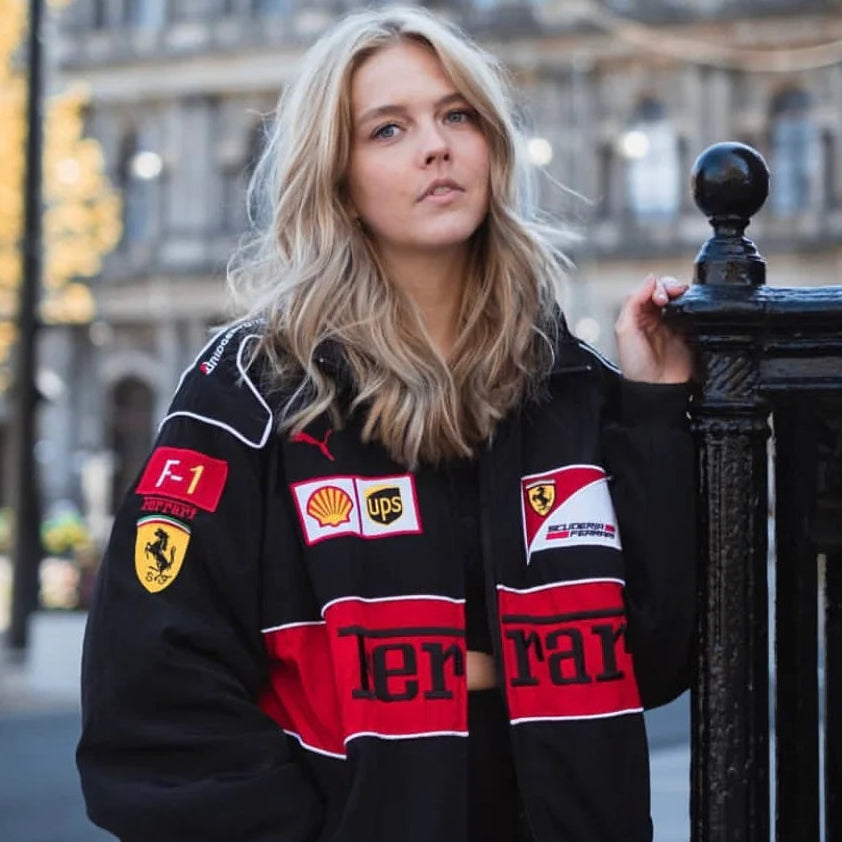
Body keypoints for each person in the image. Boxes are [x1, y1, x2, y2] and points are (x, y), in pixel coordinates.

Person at [76, 6, 696, 842]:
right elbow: (151, 700)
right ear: (335, 177)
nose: (436, 146)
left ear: (492, 145)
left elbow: (658, 655)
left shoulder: (567, 384)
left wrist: (654, 411)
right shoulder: (252, 393)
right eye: (388, 129)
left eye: (457, 115)